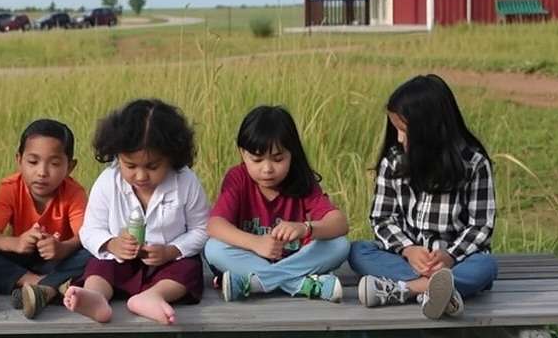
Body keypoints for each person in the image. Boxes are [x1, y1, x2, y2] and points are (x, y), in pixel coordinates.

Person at [349, 74, 499, 320]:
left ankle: (403, 290)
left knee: (487, 267)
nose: (398, 138)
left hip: (455, 261)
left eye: (403, 130)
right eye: (395, 129)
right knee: (358, 251)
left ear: (429, 130)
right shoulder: (394, 161)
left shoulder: (473, 164)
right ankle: (438, 292)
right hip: (407, 260)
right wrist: (409, 250)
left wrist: (450, 256)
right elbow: (382, 218)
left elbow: (481, 225)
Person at [66, 99, 209, 326]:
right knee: (98, 265)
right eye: (130, 166)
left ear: (172, 157)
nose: (141, 176)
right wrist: (111, 244)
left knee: (188, 269)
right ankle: (97, 298)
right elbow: (90, 229)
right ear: (117, 156)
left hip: (166, 265)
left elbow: (202, 229)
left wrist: (171, 251)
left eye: (153, 167)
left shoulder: (186, 182)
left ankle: (154, 296)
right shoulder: (107, 182)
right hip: (120, 262)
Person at [204, 105, 350, 303]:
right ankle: (302, 285)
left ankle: (254, 283)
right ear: (242, 153)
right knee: (213, 248)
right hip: (249, 259)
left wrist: (305, 228)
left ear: (292, 153)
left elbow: (339, 223)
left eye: (278, 159)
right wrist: (255, 243)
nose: (267, 169)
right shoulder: (237, 178)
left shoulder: (302, 180)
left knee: (340, 245)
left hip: (296, 260)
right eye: (256, 159)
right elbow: (215, 225)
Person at [0, 119, 91, 319]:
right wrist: (16, 243)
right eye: (33, 162)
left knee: (93, 253)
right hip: (21, 259)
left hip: (57, 258)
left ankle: (40, 291)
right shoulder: (10, 188)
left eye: (54, 164)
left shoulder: (74, 193)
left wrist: (62, 247)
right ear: (19, 160)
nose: (42, 172)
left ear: (70, 166)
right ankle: (43, 285)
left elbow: (84, 235)